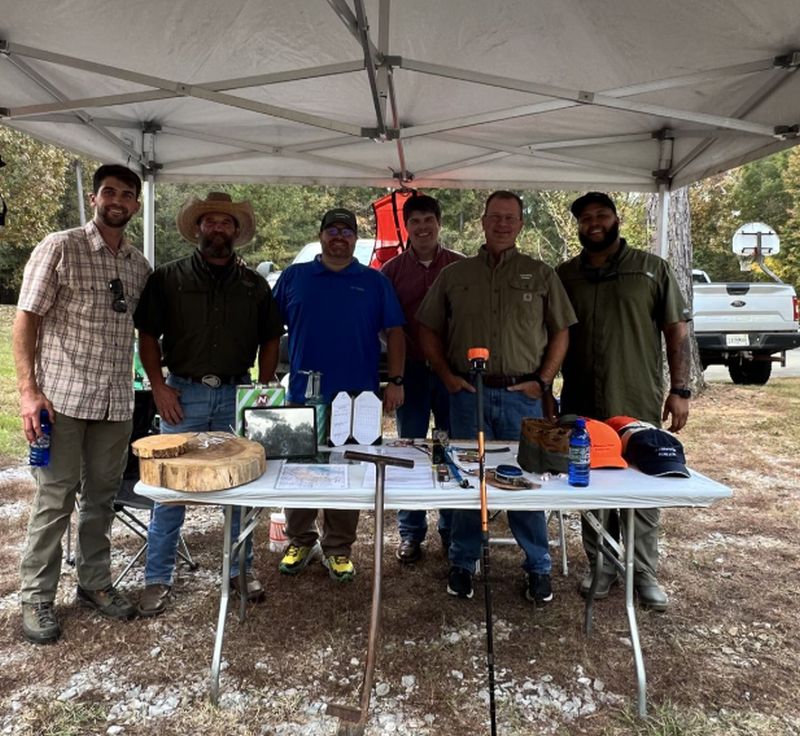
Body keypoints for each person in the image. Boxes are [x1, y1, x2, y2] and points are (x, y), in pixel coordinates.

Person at [13, 164, 152, 644]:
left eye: (127, 194)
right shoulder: (60, 246)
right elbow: (26, 319)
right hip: (63, 400)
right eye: (109, 191)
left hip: (115, 403)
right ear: (95, 198)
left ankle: (94, 584)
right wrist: (29, 392)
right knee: (54, 500)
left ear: (135, 204)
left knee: (100, 501)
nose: (118, 200)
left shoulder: (138, 265)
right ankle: (36, 597)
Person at [417, 191, 576, 603]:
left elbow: (562, 330)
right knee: (471, 482)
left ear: (521, 224)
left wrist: (543, 381)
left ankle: (538, 566)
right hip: (469, 395)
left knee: (525, 480)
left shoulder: (541, 274)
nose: (503, 224)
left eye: (511, 218)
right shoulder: (455, 275)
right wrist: (448, 377)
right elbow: (427, 328)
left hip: (523, 395)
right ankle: (463, 562)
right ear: (483, 222)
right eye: (496, 217)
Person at [133, 192, 284, 616]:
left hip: (238, 393)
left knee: (242, 487)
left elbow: (272, 336)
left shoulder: (255, 285)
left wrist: (266, 384)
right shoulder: (167, 278)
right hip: (184, 394)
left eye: (226, 223)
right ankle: (157, 579)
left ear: (236, 232)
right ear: (198, 228)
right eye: (211, 222)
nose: (218, 229)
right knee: (170, 489)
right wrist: (158, 387)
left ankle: (240, 570)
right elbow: (147, 336)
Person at [557, 191, 692, 612]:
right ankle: (600, 564)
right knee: (591, 481)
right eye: (585, 219)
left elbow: (677, 331)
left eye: (601, 215)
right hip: (582, 397)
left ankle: (644, 570)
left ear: (616, 219)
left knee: (642, 481)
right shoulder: (565, 275)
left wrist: (681, 389)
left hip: (635, 395)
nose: (593, 223)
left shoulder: (651, 270)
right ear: (578, 226)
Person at [273, 208, 405, 582]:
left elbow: (395, 333)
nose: (339, 236)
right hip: (302, 395)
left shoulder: (374, 281)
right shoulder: (295, 277)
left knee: (347, 472)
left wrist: (395, 379)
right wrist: (266, 380)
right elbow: (268, 328)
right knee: (298, 470)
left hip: (357, 399)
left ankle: (338, 548)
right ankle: (300, 539)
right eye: (332, 229)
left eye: (347, 231)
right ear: (321, 235)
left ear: (354, 239)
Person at [380, 194, 465, 563]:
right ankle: (411, 533)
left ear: (439, 223)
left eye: (428, 219)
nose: (422, 227)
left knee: (449, 449)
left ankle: (449, 528)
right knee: (410, 450)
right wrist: (396, 371)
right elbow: (384, 327)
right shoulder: (392, 272)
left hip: (450, 373)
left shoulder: (461, 267)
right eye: (415, 221)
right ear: (407, 226)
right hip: (411, 373)